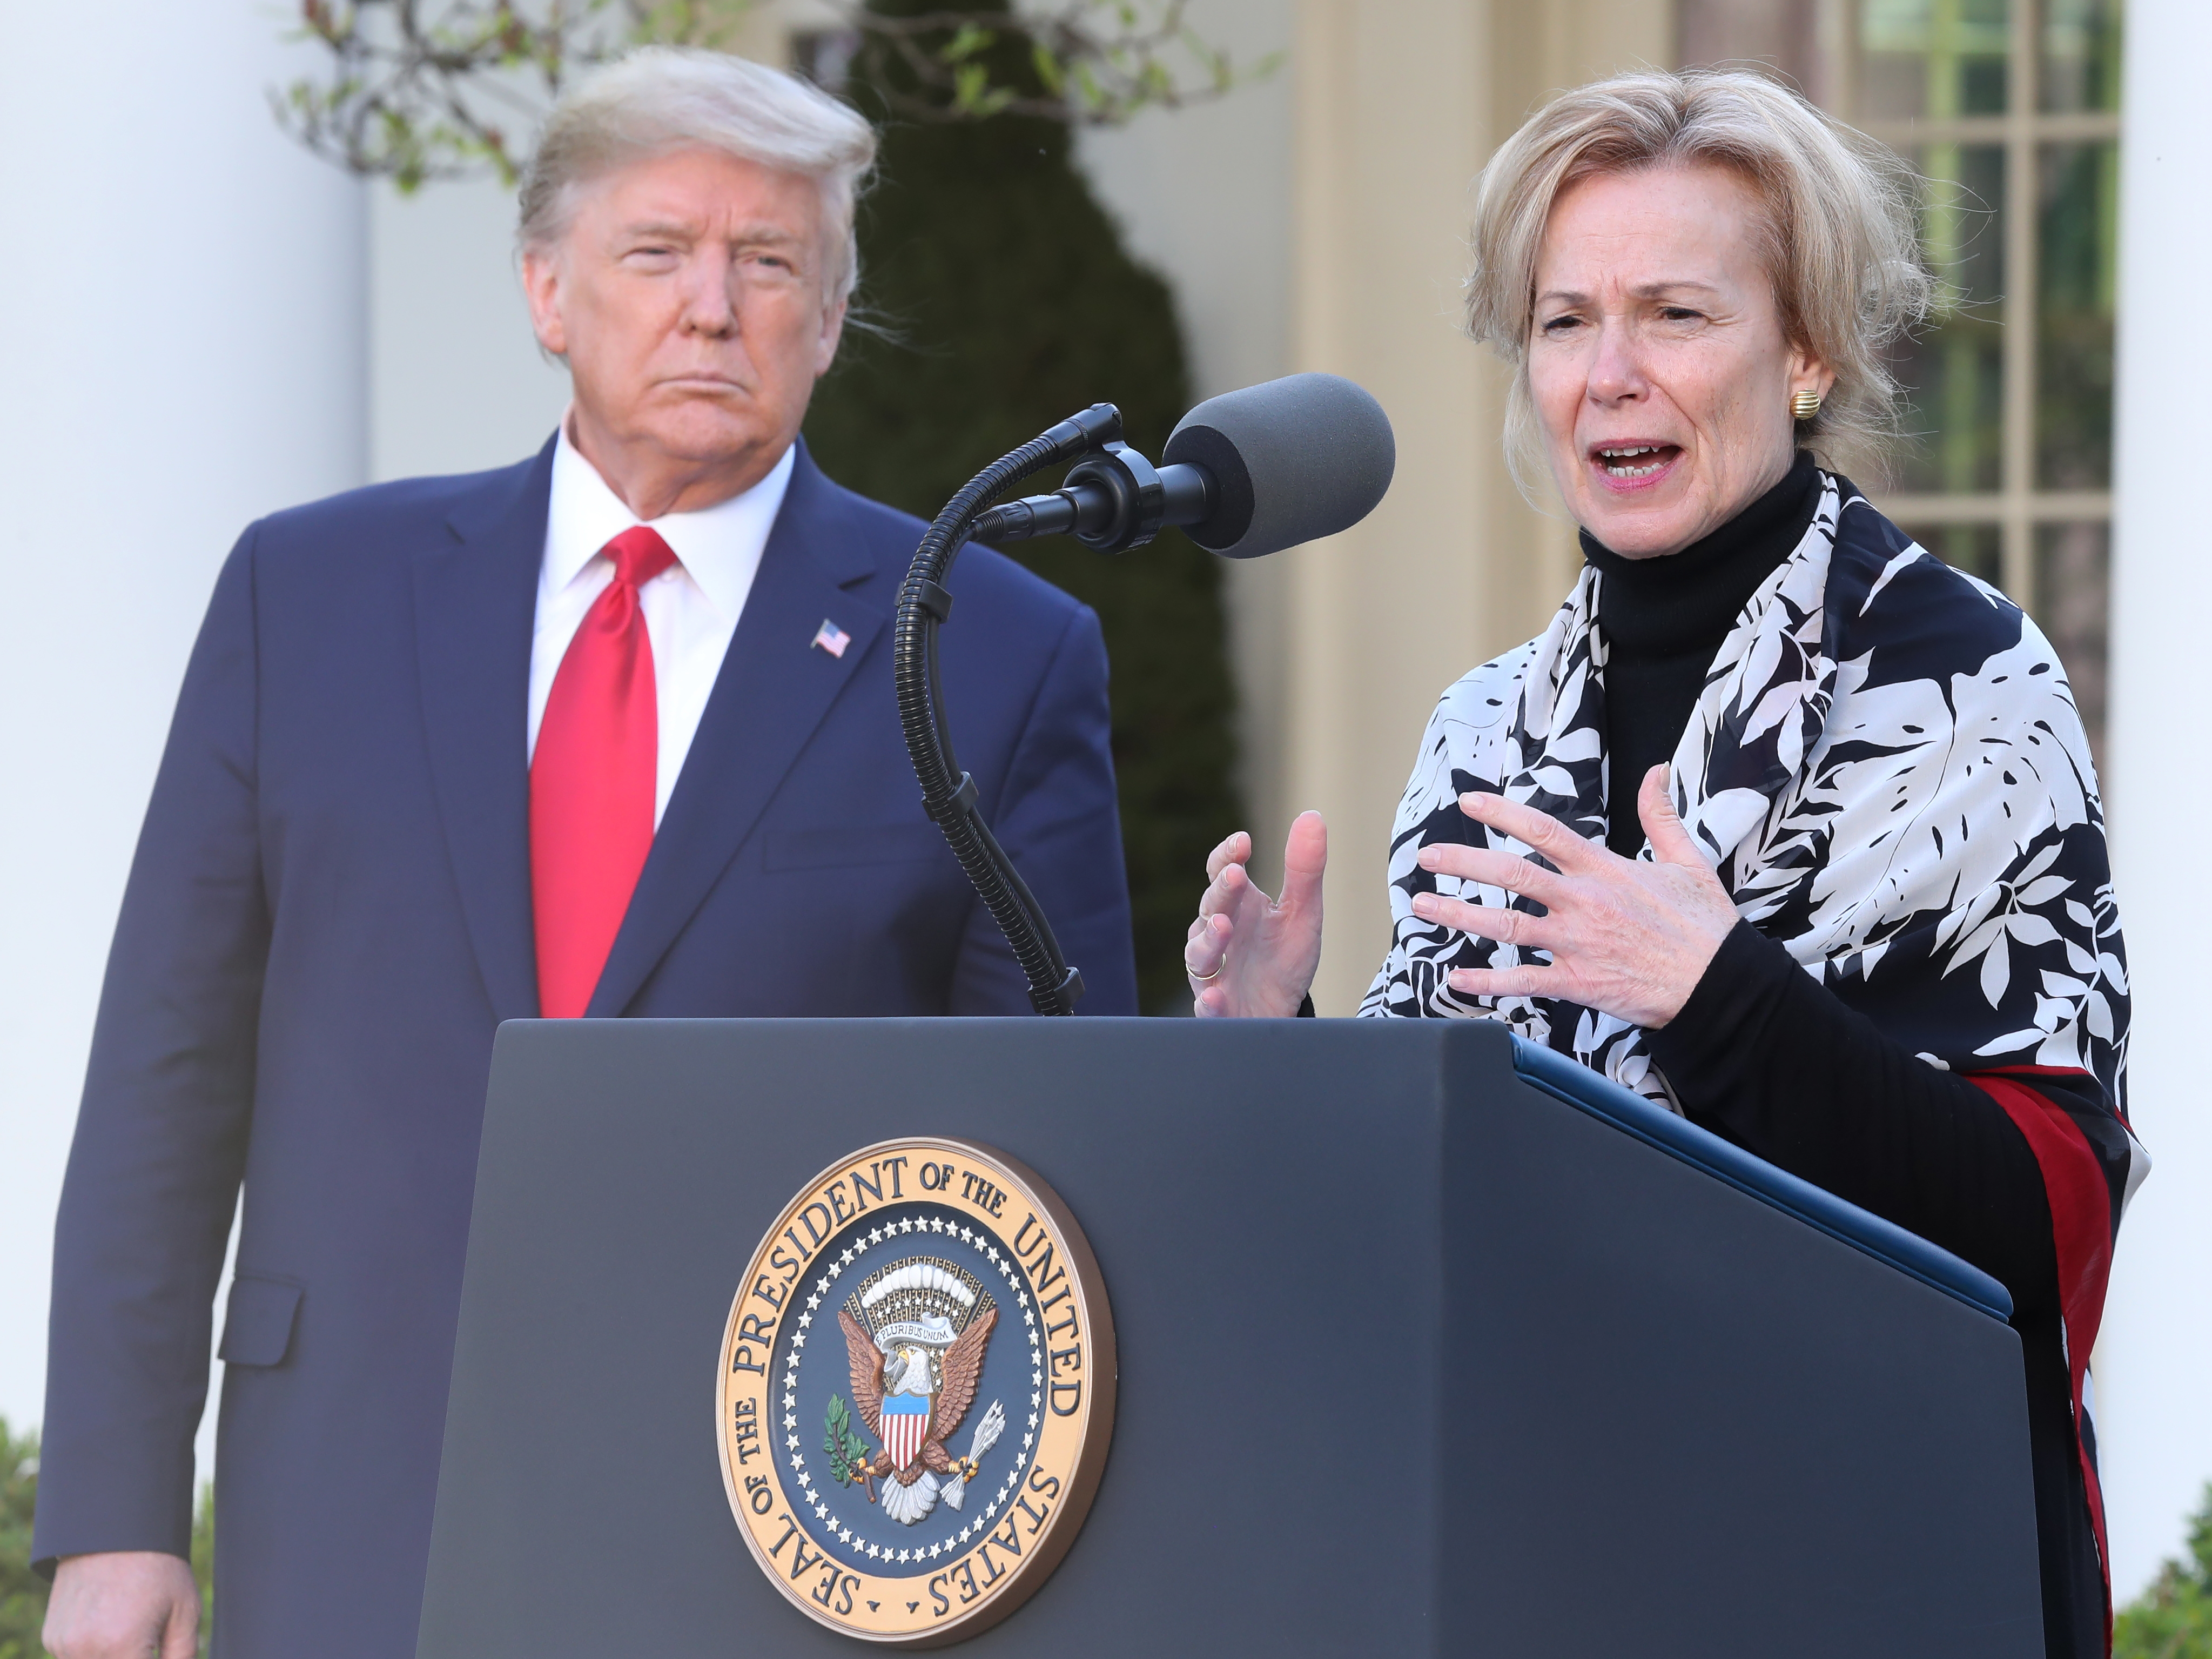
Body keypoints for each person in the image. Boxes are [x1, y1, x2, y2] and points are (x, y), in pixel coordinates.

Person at [34, 46, 1135, 1659]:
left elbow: (1049, 1154)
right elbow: (165, 1077)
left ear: (829, 322)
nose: (715, 307)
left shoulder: (985, 651)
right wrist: (120, 1517)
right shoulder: (308, 597)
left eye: (771, 264)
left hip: (786, 1542)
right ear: (547, 291)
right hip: (355, 1494)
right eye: (657, 254)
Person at [1183, 70, 2142, 1658]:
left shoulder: (1967, 686)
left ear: (1809, 347)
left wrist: (1714, 997)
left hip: (1856, 1568)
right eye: (1566, 324)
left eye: (1677, 315)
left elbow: (2040, 1228)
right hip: (1519, 1560)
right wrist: (1278, 1055)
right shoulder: (1487, 728)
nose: (1611, 377)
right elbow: (1424, 1218)